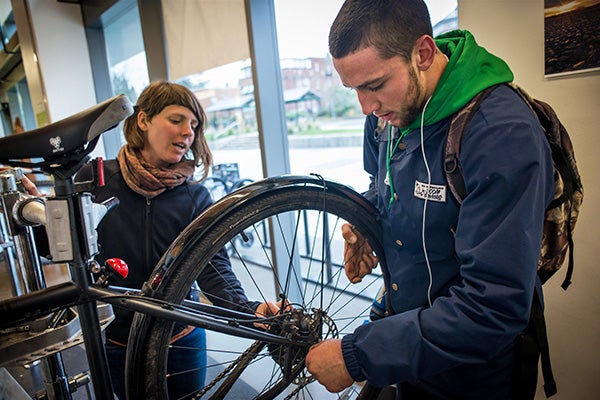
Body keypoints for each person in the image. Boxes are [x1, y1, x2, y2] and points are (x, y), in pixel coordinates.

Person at [305, 1, 554, 399]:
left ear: (422, 53)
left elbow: (492, 308)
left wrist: (358, 357)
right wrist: (368, 224)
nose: (366, 108)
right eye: (354, 89)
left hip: (473, 370)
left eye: (374, 85)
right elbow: (384, 184)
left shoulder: (501, 135)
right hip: (402, 341)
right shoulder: (389, 114)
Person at [74, 81, 279, 399]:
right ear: (143, 120)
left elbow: (213, 268)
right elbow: (65, 251)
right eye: (176, 120)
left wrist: (248, 310)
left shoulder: (195, 196)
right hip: (118, 343)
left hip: (182, 339)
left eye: (194, 125)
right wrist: (46, 221)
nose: (188, 133)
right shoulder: (97, 180)